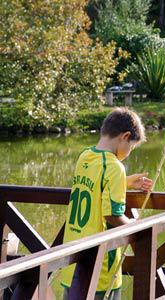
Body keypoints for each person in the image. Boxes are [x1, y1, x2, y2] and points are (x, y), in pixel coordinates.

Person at [61, 108, 153, 300]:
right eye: (132, 148)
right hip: (100, 266)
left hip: (72, 260)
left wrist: (125, 181)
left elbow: (96, 185)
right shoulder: (114, 166)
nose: (129, 153)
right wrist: (138, 227)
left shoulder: (85, 156)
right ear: (125, 136)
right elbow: (112, 215)